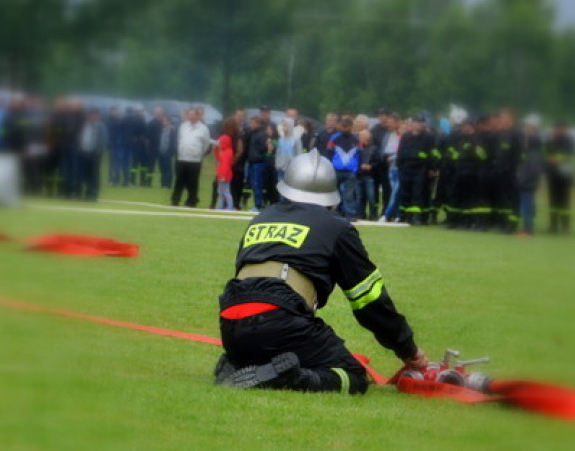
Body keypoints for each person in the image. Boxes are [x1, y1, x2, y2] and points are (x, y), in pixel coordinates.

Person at [213, 151, 428, 393]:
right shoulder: (337, 228)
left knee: (275, 344)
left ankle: (236, 364)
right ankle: (289, 379)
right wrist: (408, 349)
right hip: (280, 317)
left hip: (231, 321)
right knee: (352, 375)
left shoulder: (260, 219)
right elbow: (369, 300)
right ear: (330, 195)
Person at [171, 106, 211, 208]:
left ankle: (192, 201)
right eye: (190, 114)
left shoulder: (203, 128)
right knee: (179, 180)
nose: (191, 116)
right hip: (182, 158)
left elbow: (206, 144)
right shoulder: (183, 126)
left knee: (193, 182)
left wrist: (199, 153)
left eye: (193, 114)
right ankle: (175, 199)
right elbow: (179, 139)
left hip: (195, 160)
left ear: (197, 116)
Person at [544, 120, 575, 234]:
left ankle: (565, 226)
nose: (557, 131)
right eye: (555, 129)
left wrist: (558, 160)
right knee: (552, 202)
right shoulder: (550, 141)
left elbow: (574, 157)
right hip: (552, 175)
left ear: (565, 129)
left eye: (560, 129)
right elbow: (545, 154)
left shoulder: (570, 142)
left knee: (564, 202)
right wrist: (548, 159)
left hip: (565, 176)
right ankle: (553, 226)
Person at [516, 115, 544, 236]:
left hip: (527, 185)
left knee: (526, 208)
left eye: (527, 126)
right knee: (526, 207)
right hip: (526, 184)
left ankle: (528, 230)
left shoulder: (533, 153)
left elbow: (532, 171)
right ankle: (526, 229)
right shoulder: (530, 152)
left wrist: (521, 180)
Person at [214, 117, 236, 210]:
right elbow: (218, 158)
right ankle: (219, 207)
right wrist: (215, 150)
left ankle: (230, 207)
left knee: (226, 192)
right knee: (221, 192)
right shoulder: (225, 151)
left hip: (224, 176)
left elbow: (225, 165)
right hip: (222, 175)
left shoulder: (227, 153)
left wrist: (223, 176)